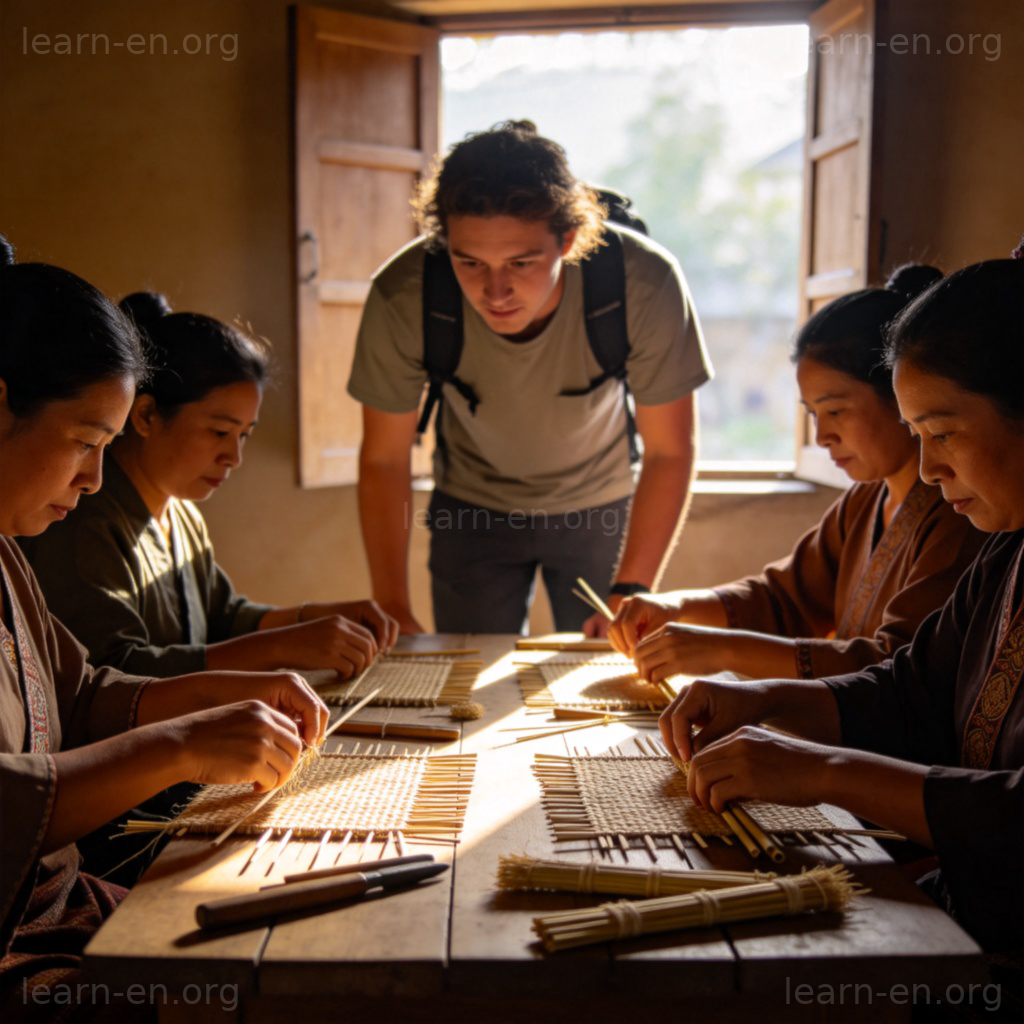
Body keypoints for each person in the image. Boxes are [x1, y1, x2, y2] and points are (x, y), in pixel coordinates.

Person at [659, 256, 1024, 964]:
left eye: (943, 432)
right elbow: (910, 688)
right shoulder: (1007, 547)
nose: (928, 469)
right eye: (919, 437)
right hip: (967, 916)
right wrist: (761, 702)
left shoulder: (977, 528)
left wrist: (823, 771)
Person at [0, 241, 328, 1018]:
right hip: (16, 951)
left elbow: (82, 694)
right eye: (84, 442)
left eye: (104, 451)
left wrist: (225, 698)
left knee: (291, 933)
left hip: (58, 909)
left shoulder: (6, 555)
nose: (90, 477)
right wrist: (181, 745)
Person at [347, 120, 712, 635]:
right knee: (465, 680)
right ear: (444, 240)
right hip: (470, 510)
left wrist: (632, 590)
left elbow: (670, 451)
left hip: (599, 506)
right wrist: (390, 603)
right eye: (469, 261)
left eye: (521, 262)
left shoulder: (643, 282)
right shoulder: (405, 293)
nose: (495, 291)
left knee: (603, 677)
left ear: (567, 240)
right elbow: (384, 458)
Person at [609, 265, 985, 683]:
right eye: (812, 414)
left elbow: (897, 666)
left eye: (836, 411)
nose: (822, 436)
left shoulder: (959, 511)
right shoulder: (865, 500)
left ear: (899, 397)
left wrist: (719, 649)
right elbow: (783, 597)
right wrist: (674, 607)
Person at [22, 291, 398, 681]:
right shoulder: (83, 519)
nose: (233, 457)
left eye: (243, 436)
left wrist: (314, 618)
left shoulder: (182, 515)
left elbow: (223, 616)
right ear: (147, 415)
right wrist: (282, 647)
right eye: (219, 432)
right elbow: (112, 672)